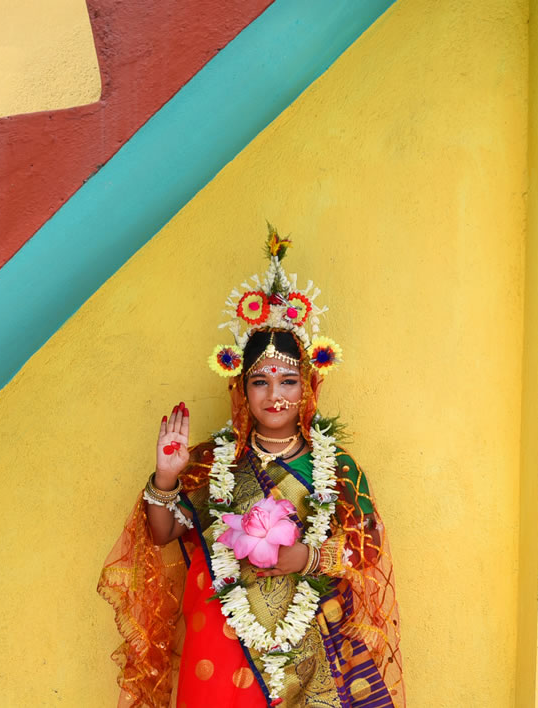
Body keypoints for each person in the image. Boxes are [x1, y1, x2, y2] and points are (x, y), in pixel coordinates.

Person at [99, 229, 404, 707]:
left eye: (287, 379)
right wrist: (166, 477)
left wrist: (306, 558)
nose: (274, 394)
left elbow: (369, 547)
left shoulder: (338, 467)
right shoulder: (210, 463)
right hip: (221, 645)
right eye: (260, 381)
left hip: (312, 650)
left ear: (308, 385)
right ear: (241, 388)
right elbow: (162, 534)